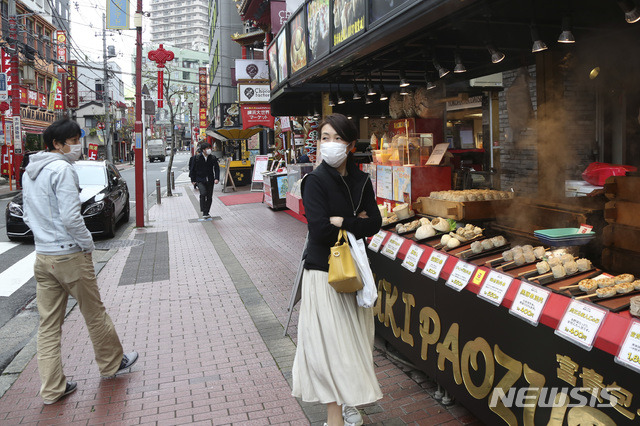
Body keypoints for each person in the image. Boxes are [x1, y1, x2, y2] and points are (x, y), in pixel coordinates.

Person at [22, 118, 138, 405]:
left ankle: (52, 389)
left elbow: (26, 214)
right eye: (72, 141)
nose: (78, 146)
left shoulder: (29, 171)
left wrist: (42, 236)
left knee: (49, 325)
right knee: (94, 312)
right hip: (69, 255)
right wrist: (87, 245)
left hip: (43, 256)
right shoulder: (63, 169)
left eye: (77, 139)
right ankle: (112, 364)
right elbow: (72, 217)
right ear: (57, 145)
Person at [291, 114, 382, 426]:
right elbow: (318, 229)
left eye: (335, 138)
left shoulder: (361, 179)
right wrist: (356, 221)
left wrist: (343, 221)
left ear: (351, 145)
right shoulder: (314, 181)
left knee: (354, 343)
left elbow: (376, 223)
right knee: (328, 347)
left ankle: (347, 403)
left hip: (355, 274)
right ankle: (336, 415)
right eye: (324, 137)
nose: (328, 144)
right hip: (322, 274)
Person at [189, 141, 220, 219]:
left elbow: (217, 168)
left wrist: (216, 178)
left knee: (209, 196)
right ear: (203, 150)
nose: (209, 150)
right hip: (200, 179)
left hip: (210, 179)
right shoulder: (197, 158)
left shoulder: (212, 158)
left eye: (209, 148)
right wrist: (193, 180)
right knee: (203, 193)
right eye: (207, 148)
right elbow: (192, 169)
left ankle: (206, 212)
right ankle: (203, 210)